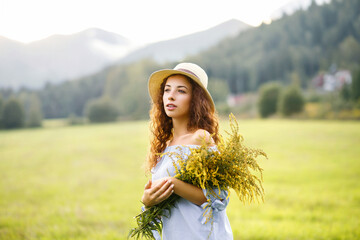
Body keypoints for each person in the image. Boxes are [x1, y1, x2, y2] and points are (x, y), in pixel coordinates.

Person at [141, 63, 233, 239]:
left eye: (181, 91)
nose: (171, 96)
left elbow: (216, 197)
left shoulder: (201, 138)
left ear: (195, 99)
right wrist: (147, 201)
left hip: (200, 234)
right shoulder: (165, 145)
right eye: (167, 90)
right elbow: (161, 204)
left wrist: (172, 184)